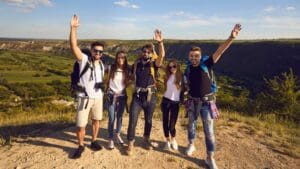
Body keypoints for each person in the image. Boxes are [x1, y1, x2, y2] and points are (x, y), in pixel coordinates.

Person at [184, 24, 242, 169]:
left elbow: (220, 51)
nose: (194, 58)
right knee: (191, 125)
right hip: (192, 101)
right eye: (191, 56)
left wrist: (231, 38)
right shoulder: (188, 67)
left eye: (196, 56)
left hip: (206, 103)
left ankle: (210, 157)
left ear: (200, 56)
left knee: (209, 131)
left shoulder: (207, 63)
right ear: (189, 56)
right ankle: (191, 145)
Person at [70, 15, 105, 159]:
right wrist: (73, 28)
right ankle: (80, 145)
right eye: (95, 50)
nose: (98, 53)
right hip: (84, 98)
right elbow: (73, 46)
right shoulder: (83, 60)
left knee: (96, 120)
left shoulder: (102, 64)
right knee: (81, 124)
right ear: (91, 50)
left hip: (98, 97)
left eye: (100, 51)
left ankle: (93, 141)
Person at [126, 29, 165, 155]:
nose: (146, 53)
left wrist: (160, 43)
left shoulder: (154, 64)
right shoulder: (136, 64)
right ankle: (130, 142)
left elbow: (161, 57)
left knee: (148, 120)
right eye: (144, 51)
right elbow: (130, 77)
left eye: (149, 52)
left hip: (150, 96)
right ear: (141, 53)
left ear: (151, 53)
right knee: (133, 119)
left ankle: (146, 139)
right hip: (137, 96)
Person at [106, 50, 131, 149]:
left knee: (120, 117)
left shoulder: (127, 69)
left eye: (123, 57)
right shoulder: (111, 68)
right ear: (116, 58)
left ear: (125, 59)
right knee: (112, 117)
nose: (121, 59)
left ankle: (118, 135)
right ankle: (111, 138)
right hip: (111, 95)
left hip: (122, 96)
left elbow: (131, 80)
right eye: (119, 57)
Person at [160, 59, 183, 151]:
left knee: (172, 124)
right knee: (165, 122)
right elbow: (160, 63)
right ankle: (167, 141)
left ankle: (173, 139)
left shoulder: (182, 76)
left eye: (174, 66)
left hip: (175, 103)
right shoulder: (167, 76)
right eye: (170, 67)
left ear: (177, 66)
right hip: (166, 100)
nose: (172, 68)